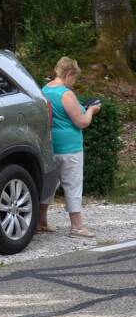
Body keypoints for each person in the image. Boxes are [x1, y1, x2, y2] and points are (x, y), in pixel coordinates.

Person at [38, 56, 101, 238]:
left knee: (49, 185)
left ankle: (40, 222)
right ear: (70, 73)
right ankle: (77, 227)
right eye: (75, 77)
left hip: (50, 145)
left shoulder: (44, 90)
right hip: (70, 148)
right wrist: (91, 110)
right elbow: (81, 122)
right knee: (73, 186)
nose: (74, 82)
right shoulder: (66, 94)